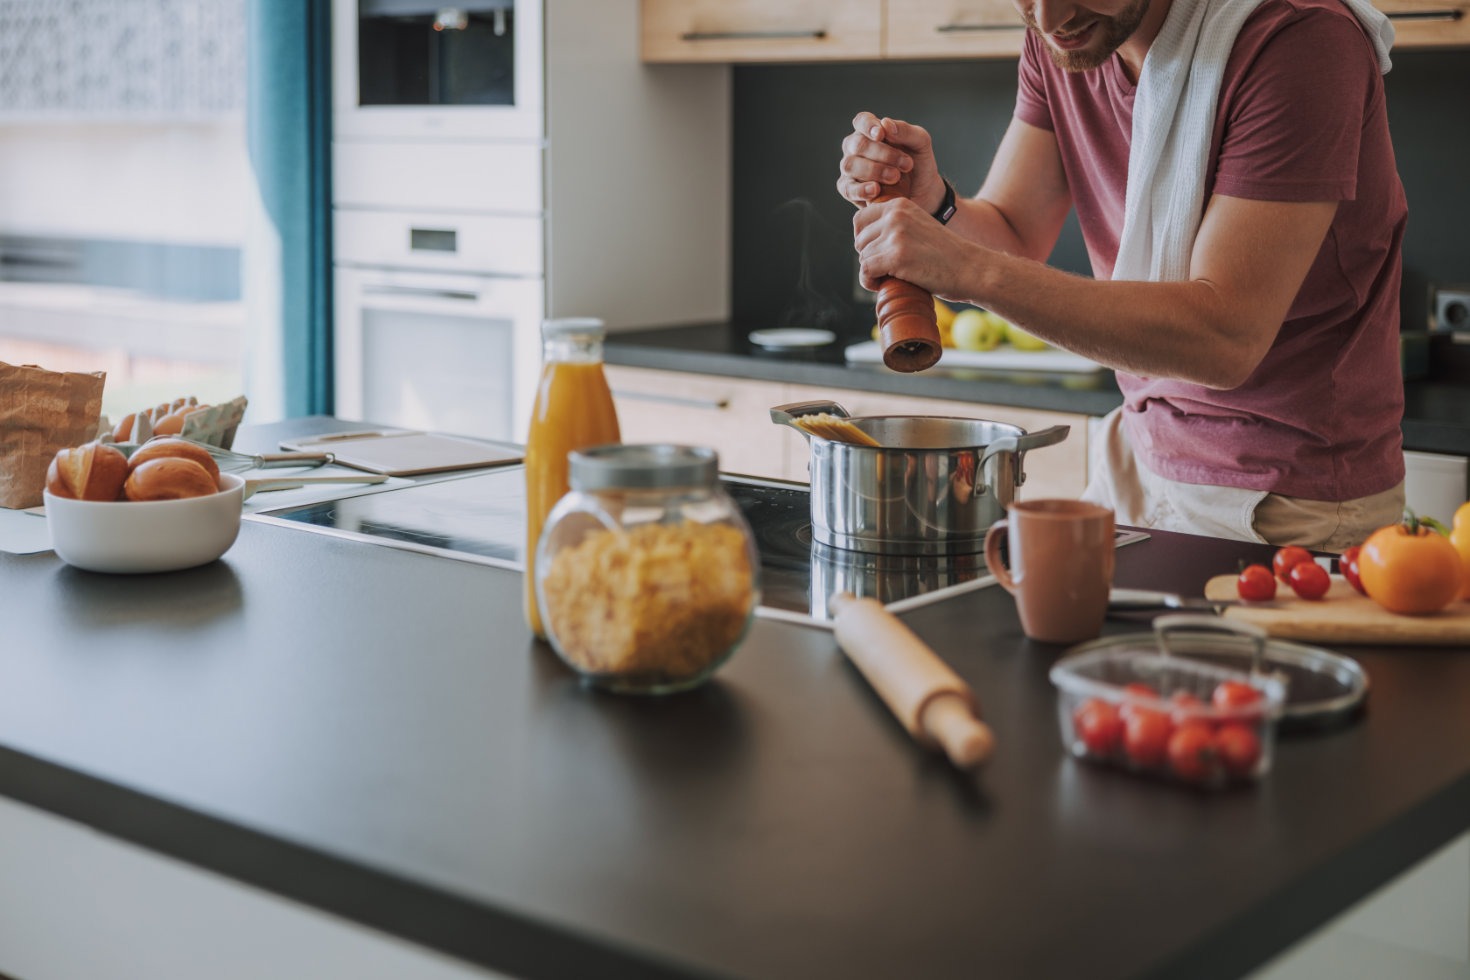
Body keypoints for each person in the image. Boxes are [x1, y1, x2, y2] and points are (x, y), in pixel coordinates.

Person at [837, 0, 1407, 553]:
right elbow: (1013, 230)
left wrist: (968, 269)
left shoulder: (1301, 40)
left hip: (1286, 498)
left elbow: (1225, 340)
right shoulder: (1064, 40)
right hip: (1138, 455)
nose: (1050, 17)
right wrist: (936, 203)